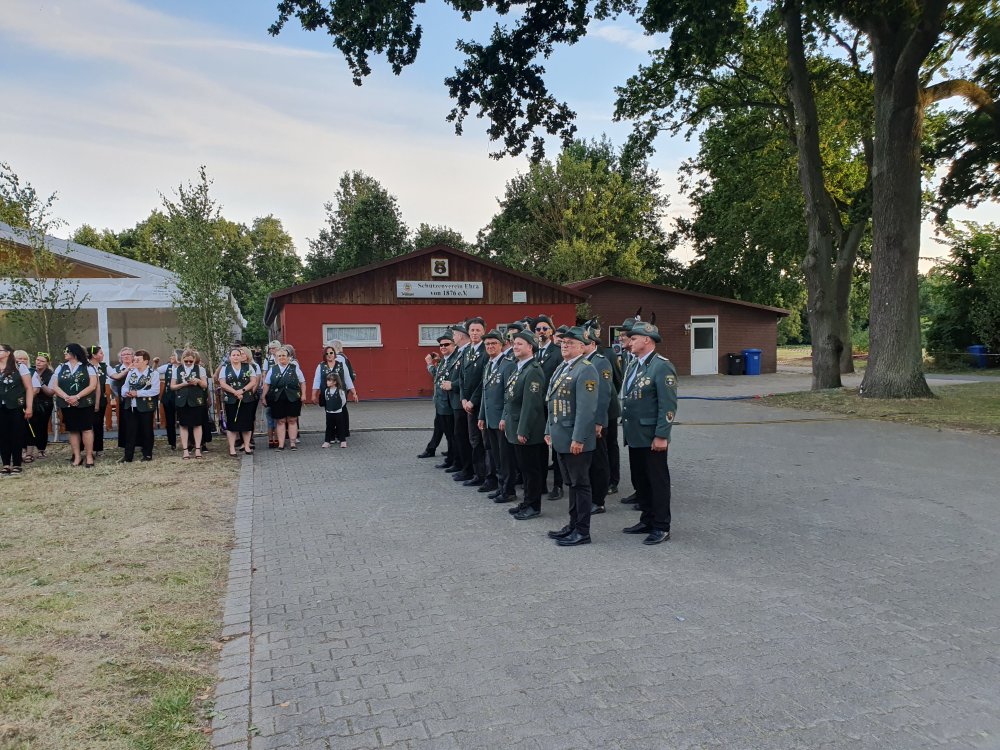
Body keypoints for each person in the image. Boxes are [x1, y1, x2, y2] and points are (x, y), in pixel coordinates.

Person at [620, 320, 678, 545]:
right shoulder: (634, 364)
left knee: (657, 481)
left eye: (633, 339)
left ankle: (661, 526)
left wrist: (662, 435)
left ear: (647, 340)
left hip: (651, 435)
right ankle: (647, 519)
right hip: (635, 433)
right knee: (641, 479)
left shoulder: (661, 366)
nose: (629, 342)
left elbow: (668, 404)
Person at [544, 326, 600, 546]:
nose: (565, 346)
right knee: (571, 484)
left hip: (575, 439)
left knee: (581, 485)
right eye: (563, 342)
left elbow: (586, 410)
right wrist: (548, 430)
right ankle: (572, 525)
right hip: (561, 436)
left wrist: (578, 438)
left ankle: (582, 531)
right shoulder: (563, 366)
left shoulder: (586, 369)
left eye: (570, 343)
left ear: (582, 347)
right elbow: (552, 402)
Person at [501, 331, 548, 520]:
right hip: (515, 426)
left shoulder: (533, 370)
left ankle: (533, 506)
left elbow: (531, 404)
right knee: (524, 469)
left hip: (527, 429)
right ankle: (527, 502)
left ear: (530, 347)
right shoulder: (519, 367)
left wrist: (523, 429)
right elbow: (510, 398)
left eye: (520, 343)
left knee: (531, 470)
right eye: (514, 343)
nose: (515, 346)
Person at [581, 320, 618, 514]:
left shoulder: (600, 361)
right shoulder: (582, 362)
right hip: (588, 418)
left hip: (599, 418)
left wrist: (599, 422)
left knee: (600, 459)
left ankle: (599, 500)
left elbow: (604, 394)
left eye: (585, 343)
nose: (581, 346)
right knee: (591, 459)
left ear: (593, 344)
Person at [478, 329, 516, 502]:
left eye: (494, 343)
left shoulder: (508, 365)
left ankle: (508, 491)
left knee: (505, 457)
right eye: (487, 344)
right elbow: (485, 394)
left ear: (502, 345)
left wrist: (504, 417)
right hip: (490, 419)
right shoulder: (489, 364)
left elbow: (509, 395)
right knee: (496, 456)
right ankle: (501, 487)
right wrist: (481, 416)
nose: (490, 346)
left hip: (501, 420)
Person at [49, 343, 99, 468]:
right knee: (73, 429)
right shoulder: (61, 367)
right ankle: (77, 456)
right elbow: (55, 385)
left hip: (84, 403)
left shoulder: (88, 367)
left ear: (75, 353)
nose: (65, 353)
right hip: (67, 403)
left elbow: (92, 385)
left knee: (86, 429)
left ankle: (89, 456)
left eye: (67, 351)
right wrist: (67, 397)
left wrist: (77, 397)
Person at [459, 317, 488, 487]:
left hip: (480, 405)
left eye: (478, 330)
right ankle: (478, 474)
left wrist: (472, 400)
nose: (475, 333)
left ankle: (486, 476)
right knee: (474, 440)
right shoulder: (467, 351)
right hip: (468, 404)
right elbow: (462, 377)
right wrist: (463, 398)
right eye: (472, 330)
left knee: (484, 442)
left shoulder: (486, 351)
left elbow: (483, 381)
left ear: (484, 332)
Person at [261, 346, 306, 450]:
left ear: (288, 357)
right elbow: (267, 384)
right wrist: (263, 397)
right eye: (279, 356)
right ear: (276, 358)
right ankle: (281, 444)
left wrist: (303, 394)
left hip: (293, 397)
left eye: (284, 355)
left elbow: (302, 382)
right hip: (277, 398)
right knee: (280, 421)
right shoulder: (272, 369)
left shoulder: (295, 368)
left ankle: (293, 443)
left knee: (292, 420)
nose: (282, 357)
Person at [0, 343, 34, 476]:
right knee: (3, 435)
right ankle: (6, 464)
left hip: (16, 406)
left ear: (8, 353)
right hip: (1, 406)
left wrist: (29, 406)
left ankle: (17, 463)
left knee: (16, 434)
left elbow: (29, 388)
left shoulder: (19, 367)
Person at [421, 332, 456, 463]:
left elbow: (440, 376)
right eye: (441, 345)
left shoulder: (453, 360)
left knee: (450, 432)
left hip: (447, 404)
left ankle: (452, 456)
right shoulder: (445, 360)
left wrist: (430, 364)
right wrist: (438, 361)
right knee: (439, 427)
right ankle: (432, 448)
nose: (443, 347)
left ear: (454, 345)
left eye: (446, 344)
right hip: (440, 402)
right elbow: (439, 375)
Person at [120, 349, 160, 463]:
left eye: (138, 360)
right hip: (131, 406)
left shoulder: (153, 374)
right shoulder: (132, 372)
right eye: (135, 359)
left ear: (146, 361)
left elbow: (155, 390)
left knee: (146, 430)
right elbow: (124, 386)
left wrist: (138, 393)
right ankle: (128, 456)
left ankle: (147, 454)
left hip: (145, 406)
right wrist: (126, 392)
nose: (135, 362)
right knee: (130, 431)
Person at [442, 323, 471, 479]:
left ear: (460, 335)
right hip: (456, 401)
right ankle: (461, 464)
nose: (452, 337)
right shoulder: (461, 352)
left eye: (454, 334)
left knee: (463, 437)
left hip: (462, 402)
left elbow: (468, 378)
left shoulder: (467, 352)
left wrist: (452, 385)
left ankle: (467, 468)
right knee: (458, 436)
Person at [219, 346, 259, 457]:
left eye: (238, 355)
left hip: (246, 399)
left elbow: (253, 381)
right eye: (233, 355)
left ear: (241, 356)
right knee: (232, 424)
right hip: (231, 399)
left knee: (247, 423)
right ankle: (232, 448)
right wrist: (235, 392)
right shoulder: (225, 368)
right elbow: (222, 383)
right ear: (230, 357)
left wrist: (242, 391)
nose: (236, 357)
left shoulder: (248, 367)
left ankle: (246, 446)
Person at [171, 348, 208, 460]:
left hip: (196, 400)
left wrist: (198, 381)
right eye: (186, 361)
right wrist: (183, 384)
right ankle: (185, 450)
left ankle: (198, 449)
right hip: (182, 400)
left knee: (197, 424)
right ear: (182, 359)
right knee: (183, 425)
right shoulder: (177, 369)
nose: (188, 363)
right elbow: (172, 386)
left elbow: (205, 385)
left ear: (194, 359)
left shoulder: (200, 369)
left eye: (190, 361)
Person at [328, 340, 357, 437]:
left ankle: (341, 431)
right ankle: (344, 430)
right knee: (343, 408)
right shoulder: (344, 357)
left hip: (340, 386)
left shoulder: (339, 358)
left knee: (339, 409)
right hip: (344, 386)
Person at [29, 352, 54, 460]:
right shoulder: (30, 371)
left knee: (42, 427)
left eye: (42, 361)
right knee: (30, 426)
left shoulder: (51, 374)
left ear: (47, 363)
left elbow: (50, 393)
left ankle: (41, 450)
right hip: (31, 402)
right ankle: (28, 450)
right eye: (37, 360)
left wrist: (41, 383)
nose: (38, 362)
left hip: (45, 404)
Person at [108, 347, 134, 449]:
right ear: (120, 358)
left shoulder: (137, 366)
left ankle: (138, 442)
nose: (126, 356)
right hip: (123, 399)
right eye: (124, 355)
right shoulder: (117, 369)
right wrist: (120, 395)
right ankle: (125, 443)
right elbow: (113, 385)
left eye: (128, 354)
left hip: (138, 399)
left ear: (133, 356)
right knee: (124, 421)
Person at [157, 349, 182, 450]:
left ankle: (188, 441)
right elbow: (154, 371)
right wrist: (155, 364)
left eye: (173, 355)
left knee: (184, 420)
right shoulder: (167, 367)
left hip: (181, 396)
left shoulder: (184, 367)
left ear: (179, 357)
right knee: (170, 420)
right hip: (168, 396)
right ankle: (172, 443)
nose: (171, 357)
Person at [86, 345, 110, 455]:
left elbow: (115, 375)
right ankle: (86, 449)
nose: (103, 355)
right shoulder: (84, 366)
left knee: (98, 424)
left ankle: (98, 449)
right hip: (86, 400)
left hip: (100, 400)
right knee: (86, 426)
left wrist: (128, 369)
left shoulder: (104, 366)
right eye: (101, 353)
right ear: (94, 355)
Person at [321, 371, 350, 448]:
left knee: (340, 426)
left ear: (335, 382)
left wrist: (338, 407)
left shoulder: (340, 391)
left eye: (329, 380)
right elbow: (326, 400)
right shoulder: (326, 391)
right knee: (329, 427)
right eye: (327, 380)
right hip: (329, 412)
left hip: (338, 412)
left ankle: (343, 441)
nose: (327, 382)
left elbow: (343, 401)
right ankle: (327, 441)